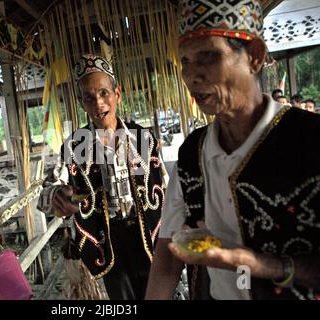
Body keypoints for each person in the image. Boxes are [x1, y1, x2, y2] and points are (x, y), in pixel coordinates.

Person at [146, 0, 320, 300]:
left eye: (209, 56)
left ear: (254, 56)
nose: (191, 76)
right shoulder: (193, 155)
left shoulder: (310, 140)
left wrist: (260, 264)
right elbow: (167, 257)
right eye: (185, 61)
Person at [38, 54, 168, 300]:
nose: (98, 103)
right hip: (105, 242)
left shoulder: (142, 139)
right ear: (81, 102)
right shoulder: (76, 146)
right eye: (89, 97)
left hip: (149, 236)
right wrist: (56, 195)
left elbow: (163, 187)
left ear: (117, 93)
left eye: (104, 93)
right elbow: (45, 194)